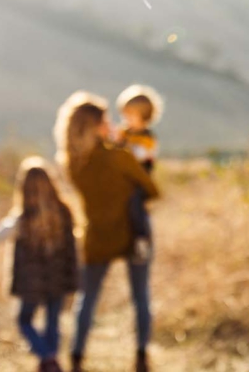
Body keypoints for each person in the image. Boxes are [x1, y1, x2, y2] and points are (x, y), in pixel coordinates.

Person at [55, 91, 161, 372]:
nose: (111, 123)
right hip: (133, 232)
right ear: (95, 125)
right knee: (140, 296)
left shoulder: (73, 163)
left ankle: (76, 357)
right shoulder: (119, 157)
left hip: (97, 235)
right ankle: (141, 356)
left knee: (86, 299)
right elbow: (151, 189)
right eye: (105, 120)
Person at [0, 157, 79, 372]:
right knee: (52, 322)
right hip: (58, 280)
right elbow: (73, 251)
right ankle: (50, 359)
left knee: (24, 320)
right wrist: (72, 279)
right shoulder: (64, 213)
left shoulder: (23, 218)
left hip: (31, 284)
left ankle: (46, 358)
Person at [113, 84, 165, 264]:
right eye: (124, 114)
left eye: (130, 115)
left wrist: (123, 147)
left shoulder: (148, 138)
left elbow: (140, 156)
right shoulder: (124, 133)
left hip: (140, 182)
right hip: (124, 181)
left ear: (143, 116)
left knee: (136, 204)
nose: (125, 119)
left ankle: (141, 238)